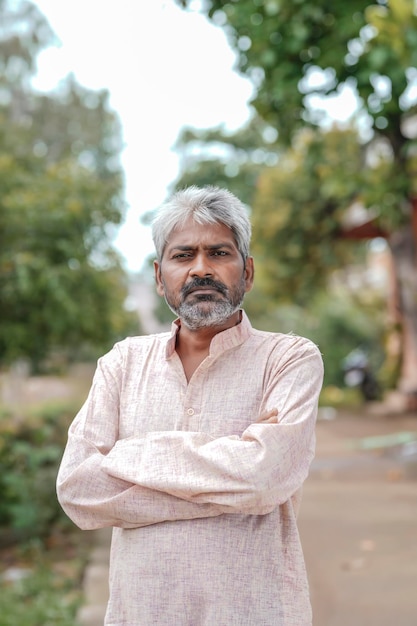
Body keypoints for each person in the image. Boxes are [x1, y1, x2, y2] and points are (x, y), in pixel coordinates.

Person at [56, 185, 324, 626]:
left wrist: (131, 455)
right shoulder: (123, 362)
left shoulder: (289, 358)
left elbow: (264, 477)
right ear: (160, 276)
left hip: (255, 611)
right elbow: (79, 492)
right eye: (184, 256)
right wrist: (231, 489)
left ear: (248, 272)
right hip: (142, 613)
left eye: (219, 253)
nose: (202, 268)